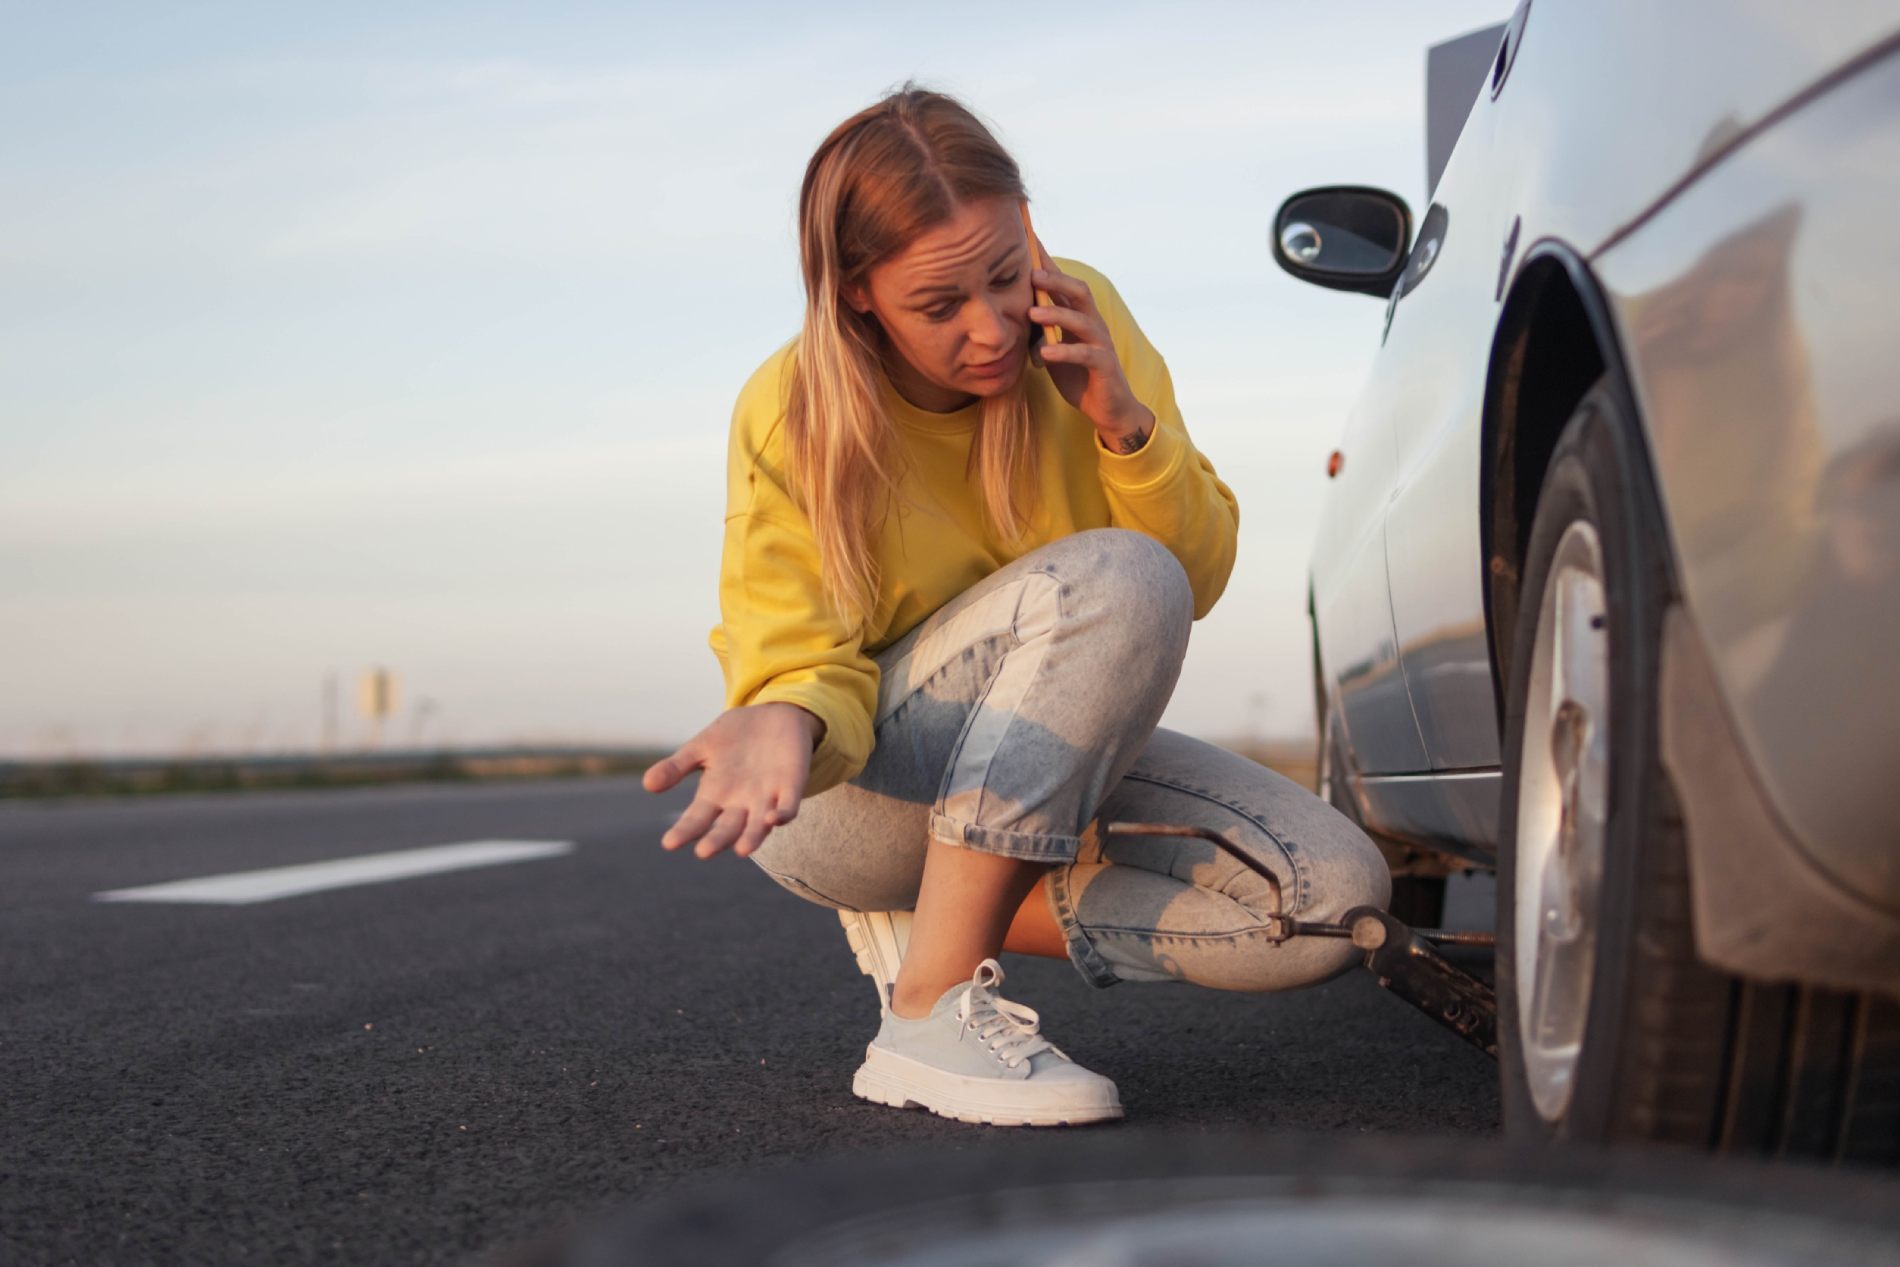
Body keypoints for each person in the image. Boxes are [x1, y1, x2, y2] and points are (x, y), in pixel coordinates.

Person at [641, 85, 1390, 1126]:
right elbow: (796, 644)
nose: (992, 328)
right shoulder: (795, 406)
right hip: (849, 800)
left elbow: (1197, 581)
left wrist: (1122, 425)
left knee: (1328, 909)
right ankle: (926, 1014)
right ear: (858, 293)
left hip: (1039, 758)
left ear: (1029, 226)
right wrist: (781, 712)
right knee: (1119, 575)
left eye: (1004, 275)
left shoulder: (1080, 308)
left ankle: (951, 909)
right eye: (939, 306)